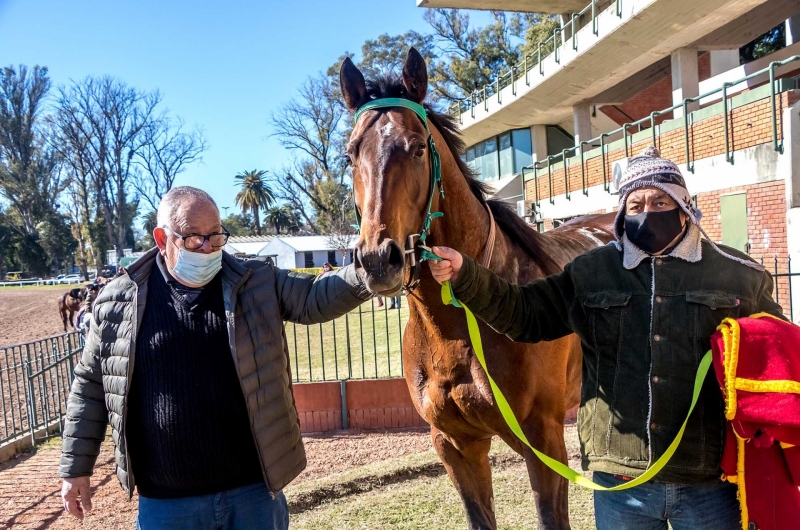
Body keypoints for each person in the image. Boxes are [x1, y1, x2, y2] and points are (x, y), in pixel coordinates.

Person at [428, 147, 785, 530]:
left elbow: (779, 355)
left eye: (660, 200)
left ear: (684, 207)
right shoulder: (592, 272)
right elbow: (524, 314)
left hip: (707, 482)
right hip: (620, 484)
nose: (647, 211)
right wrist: (466, 274)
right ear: (621, 214)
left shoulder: (740, 275)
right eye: (635, 204)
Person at [59, 186, 372, 530]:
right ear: (162, 239)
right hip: (167, 505)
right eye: (194, 238)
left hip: (253, 494)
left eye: (215, 236)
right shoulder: (117, 301)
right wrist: (76, 468)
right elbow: (91, 386)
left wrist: (371, 271)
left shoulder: (255, 280)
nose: (208, 248)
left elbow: (316, 296)